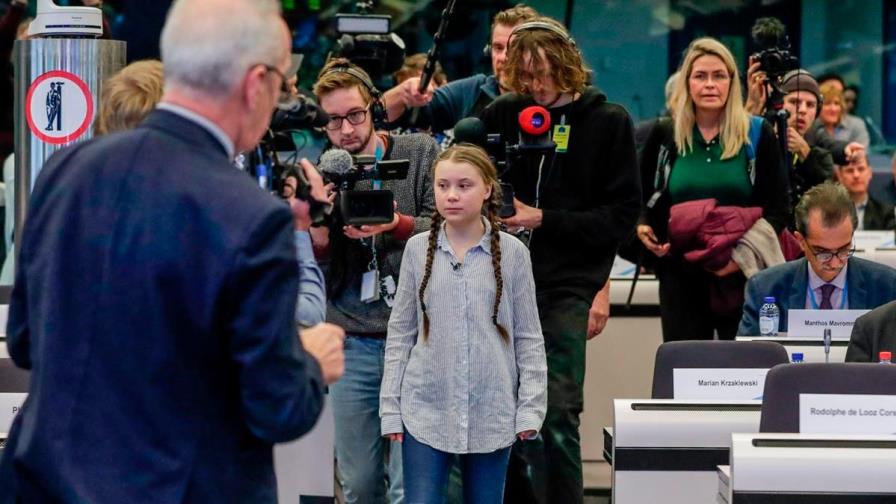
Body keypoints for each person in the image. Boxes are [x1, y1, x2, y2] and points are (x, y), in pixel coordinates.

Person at [0, 1, 345, 502]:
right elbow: (277, 407)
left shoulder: (66, 171)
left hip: (44, 484)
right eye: (281, 81)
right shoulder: (250, 216)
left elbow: (27, 341)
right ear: (255, 83)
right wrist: (310, 362)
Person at [479, 17, 641, 504]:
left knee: (553, 417)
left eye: (543, 72)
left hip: (566, 286)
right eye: (524, 76)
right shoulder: (502, 114)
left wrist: (542, 218)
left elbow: (619, 217)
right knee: (497, 417)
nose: (536, 86)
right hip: (498, 283)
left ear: (566, 62)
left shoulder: (608, 121)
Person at [380, 144, 547, 503]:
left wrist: (531, 408)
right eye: (442, 186)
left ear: (487, 188)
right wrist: (390, 409)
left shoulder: (514, 254)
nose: (451, 195)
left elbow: (529, 337)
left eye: (464, 185)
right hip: (425, 409)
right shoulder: (416, 249)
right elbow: (400, 334)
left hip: (493, 410)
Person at [311, 58, 439, 504]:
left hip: (416, 338)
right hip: (351, 339)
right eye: (333, 120)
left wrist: (396, 224)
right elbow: (316, 260)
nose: (345, 129)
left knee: (412, 486)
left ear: (374, 110)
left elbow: (450, 228)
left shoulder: (419, 152)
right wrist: (317, 221)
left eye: (355, 115)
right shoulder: (322, 170)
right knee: (361, 484)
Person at [638, 37, 789, 342]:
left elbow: (778, 208)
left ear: (732, 82)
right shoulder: (665, 133)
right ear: (687, 83)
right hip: (680, 273)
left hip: (742, 271)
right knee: (686, 369)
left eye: (719, 76)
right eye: (700, 76)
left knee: (745, 372)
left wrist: (739, 259)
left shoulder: (757, 134)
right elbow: (640, 194)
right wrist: (641, 225)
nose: (710, 84)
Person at [738, 182, 896, 335]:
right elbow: (751, 358)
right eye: (822, 252)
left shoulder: (887, 286)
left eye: (843, 250)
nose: (834, 263)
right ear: (800, 241)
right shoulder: (765, 287)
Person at [383, 4, 539, 131]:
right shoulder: (472, 90)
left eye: (515, 49)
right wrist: (403, 92)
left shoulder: (551, 96)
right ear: (488, 50)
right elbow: (381, 116)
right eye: (498, 47)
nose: (504, 58)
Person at [778, 69, 834, 211]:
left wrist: (805, 153)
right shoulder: (762, 147)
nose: (802, 110)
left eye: (810, 105)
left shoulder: (821, 157)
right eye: (794, 101)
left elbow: (826, 202)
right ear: (778, 105)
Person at [835, 151, 895, 231]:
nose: (856, 175)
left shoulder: (885, 213)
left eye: (861, 169)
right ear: (839, 176)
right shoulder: (829, 211)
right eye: (850, 170)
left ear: (869, 173)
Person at [812, 81, 870, 147]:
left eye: (836, 103)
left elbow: (861, 154)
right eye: (827, 103)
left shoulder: (856, 124)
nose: (833, 109)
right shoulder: (810, 128)